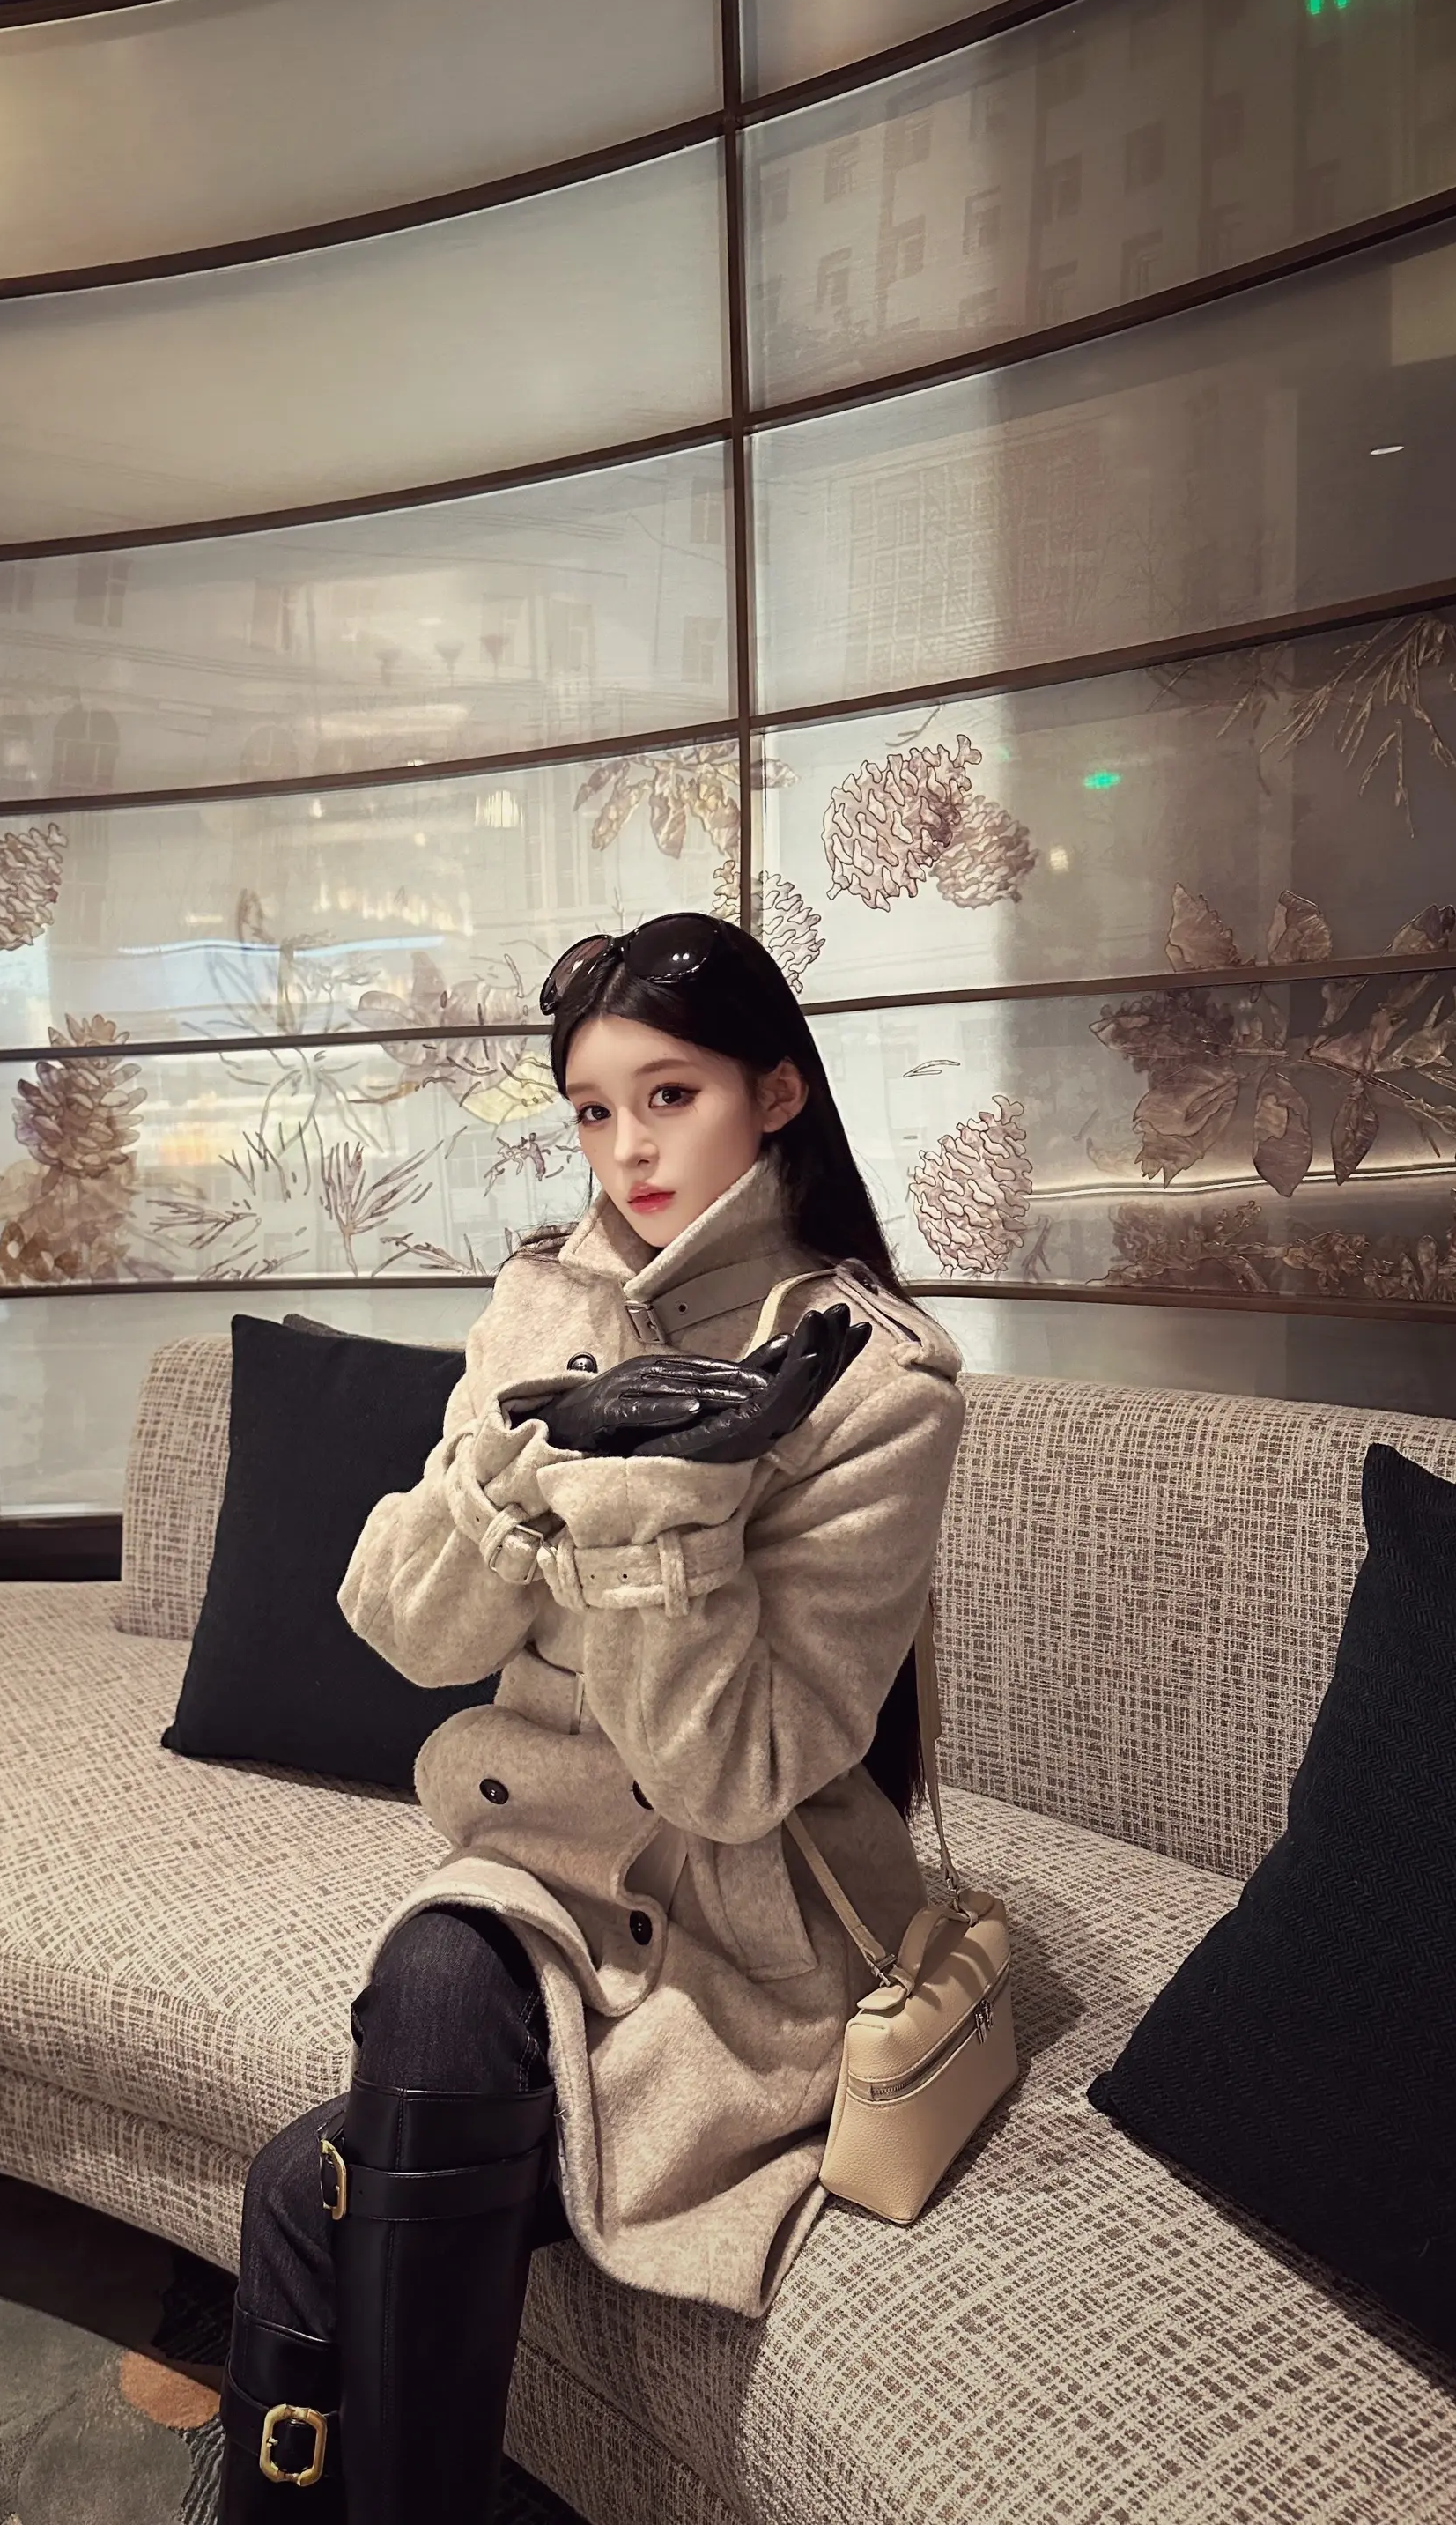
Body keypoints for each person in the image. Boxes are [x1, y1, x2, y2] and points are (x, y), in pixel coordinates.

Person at [214, 913, 966, 2521]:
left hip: (735, 1929)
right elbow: (407, 1632)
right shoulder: (543, 1304)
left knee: (303, 2183)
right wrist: (534, 1447)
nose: (627, 1149)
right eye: (593, 1109)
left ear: (776, 1093)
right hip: (539, 1869)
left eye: (670, 1095)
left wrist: (651, 1501)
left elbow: (731, 1778)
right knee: (431, 1978)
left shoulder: (880, 1385)